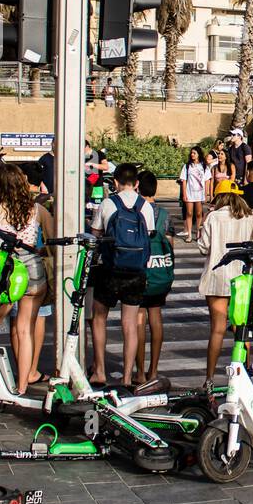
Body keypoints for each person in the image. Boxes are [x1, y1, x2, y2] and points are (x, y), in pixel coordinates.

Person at [0, 163, 53, 394]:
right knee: (25, 330)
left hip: (4, 272)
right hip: (32, 270)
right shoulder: (38, 210)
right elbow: (52, 240)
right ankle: (22, 385)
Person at [89, 163, 155, 386]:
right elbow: (149, 236)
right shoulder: (145, 206)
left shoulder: (108, 203)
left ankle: (99, 371)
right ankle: (128, 377)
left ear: (115, 182)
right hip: (136, 271)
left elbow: (95, 234)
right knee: (130, 323)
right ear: (136, 183)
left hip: (110, 269)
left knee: (99, 317)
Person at [198, 188, 253, 384]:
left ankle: (209, 378)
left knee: (217, 329)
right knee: (242, 329)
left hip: (217, 278)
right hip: (242, 279)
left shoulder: (213, 217)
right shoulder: (251, 216)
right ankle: (243, 375)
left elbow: (203, 247)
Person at [135, 171, 172, 387]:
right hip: (160, 272)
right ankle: (154, 369)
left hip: (142, 270)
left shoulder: (138, 210)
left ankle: (139, 372)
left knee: (139, 319)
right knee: (156, 318)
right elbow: (170, 245)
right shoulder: (165, 215)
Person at [179, 145, 206, 243]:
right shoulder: (187, 166)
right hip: (189, 193)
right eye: (191, 153)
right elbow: (184, 180)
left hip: (200, 193)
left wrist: (206, 194)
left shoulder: (203, 165)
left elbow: (207, 180)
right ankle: (189, 234)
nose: (192, 155)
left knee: (199, 213)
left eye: (194, 153)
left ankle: (198, 233)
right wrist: (184, 194)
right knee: (189, 213)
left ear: (199, 154)